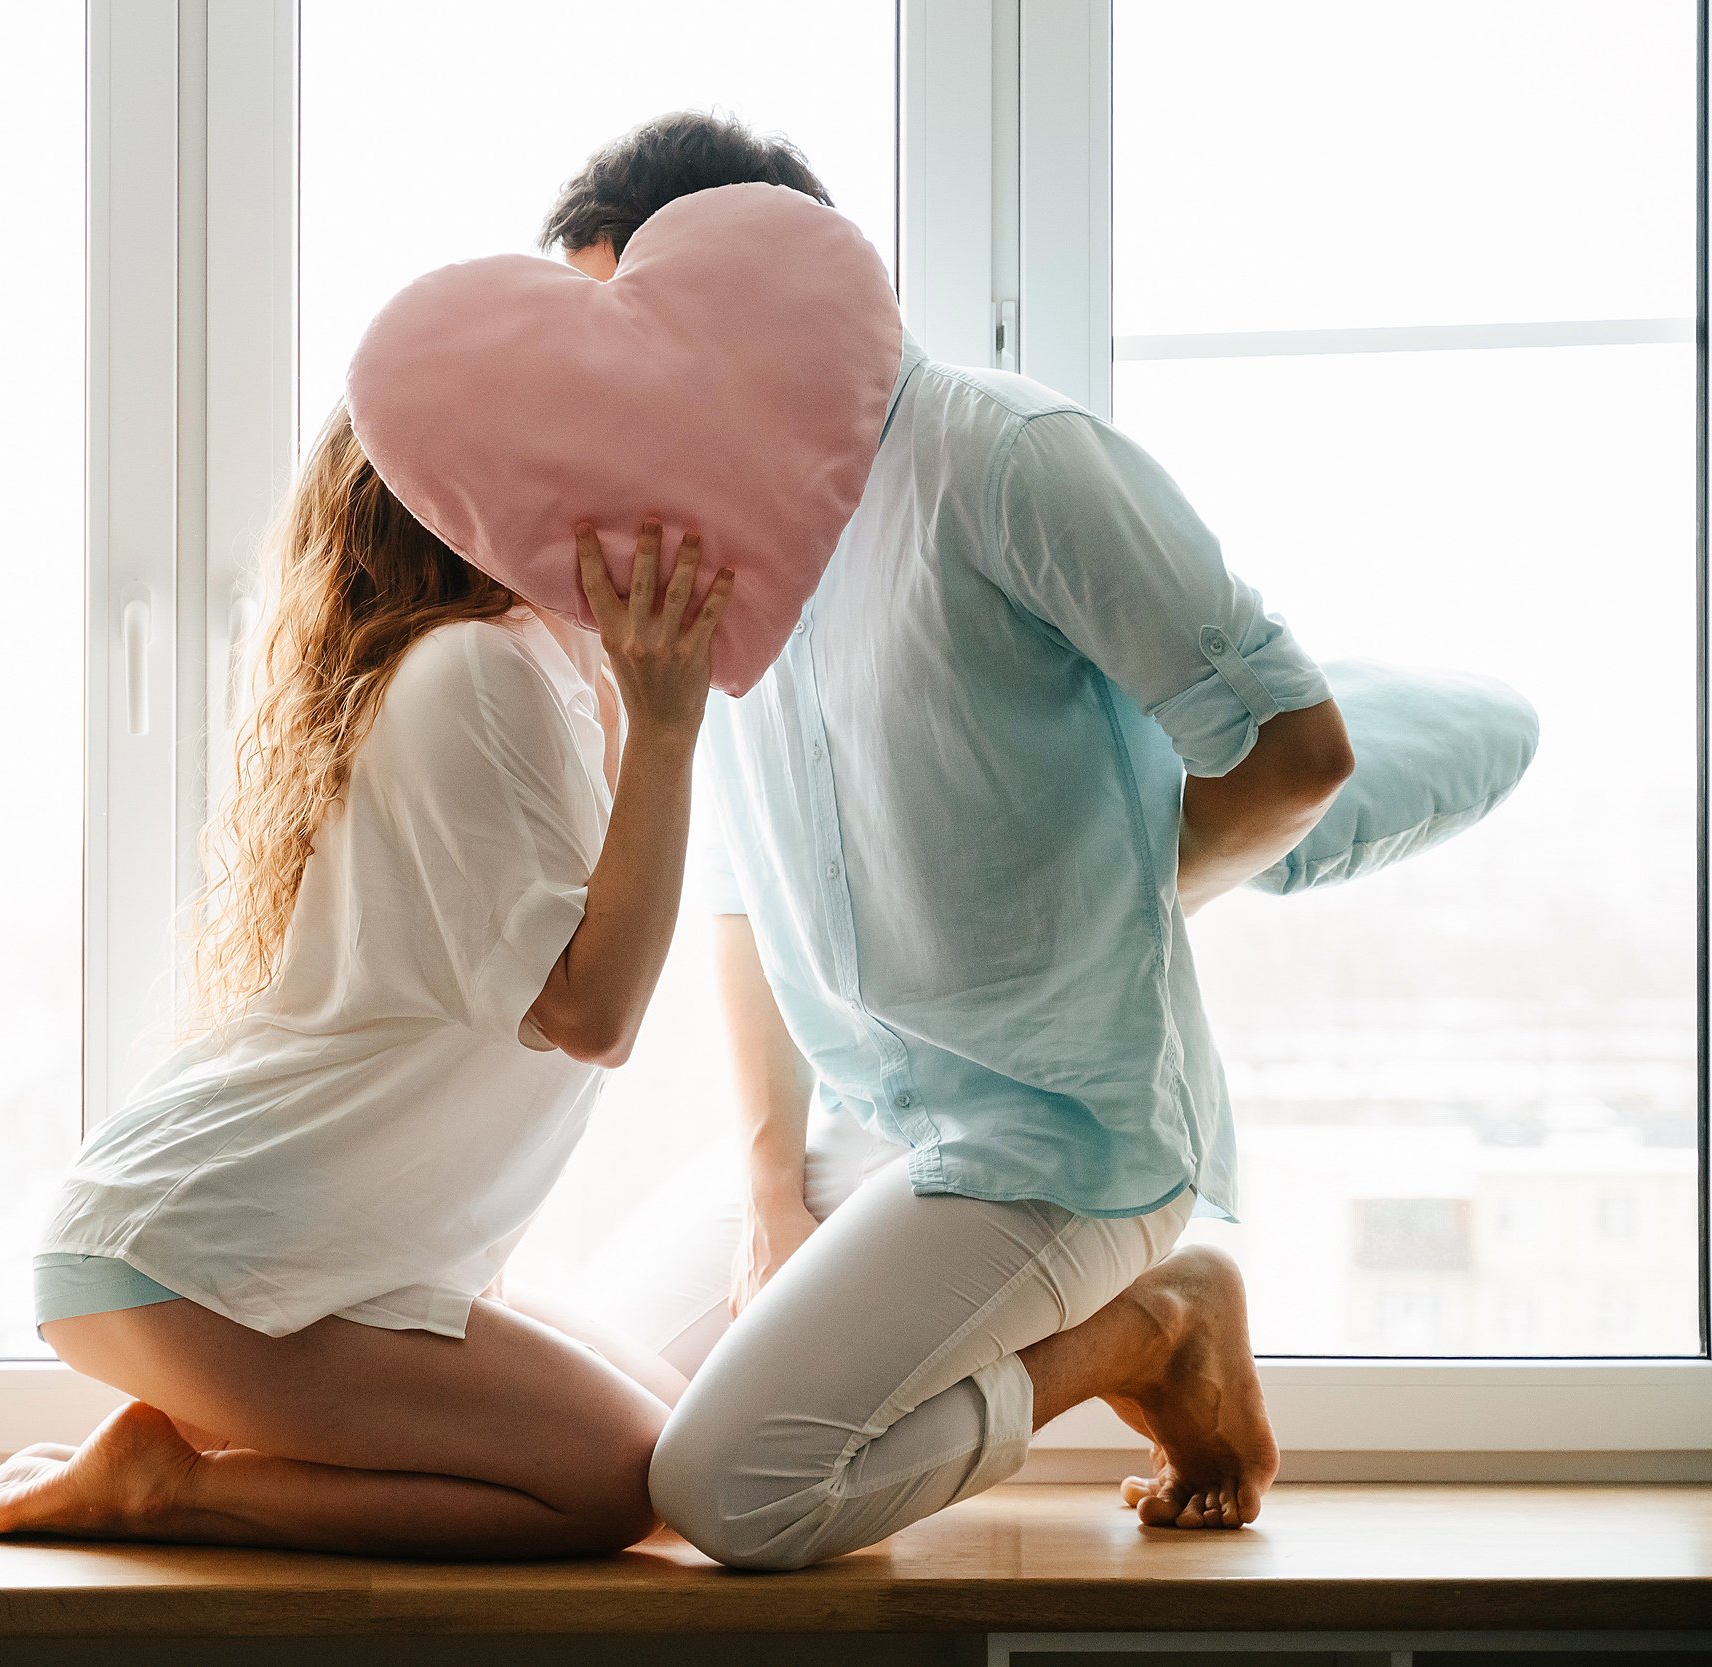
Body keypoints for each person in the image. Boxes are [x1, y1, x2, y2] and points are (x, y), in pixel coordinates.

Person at [541, 114, 1351, 1569]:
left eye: (629, 336)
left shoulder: (1007, 459)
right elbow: (746, 886)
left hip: (1061, 1132)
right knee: (594, 1435)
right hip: (866, 1127)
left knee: (738, 1488)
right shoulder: (714, 535)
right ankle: (1035, 1307)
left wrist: (1102, 899)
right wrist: (773, 1183)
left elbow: (1297, 752)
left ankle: (1149, 1327)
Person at [0, 406, 733, 1559]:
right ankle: (174, 1482)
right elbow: (590, 1010)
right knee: (618, 1485)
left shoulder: (526, 675)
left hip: (250, 1256)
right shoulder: (473, 670)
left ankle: (196, 1455)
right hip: (188, 1259)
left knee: (679, 1450)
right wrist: (667, 732)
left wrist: (640, 719)